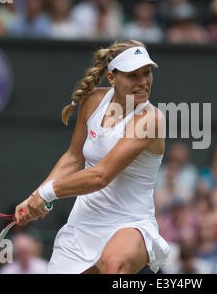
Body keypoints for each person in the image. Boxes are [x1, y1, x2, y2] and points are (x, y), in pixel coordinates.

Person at [14, 40, 170, 274]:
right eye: (133, 75)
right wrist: (35, 195)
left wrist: (46, 194)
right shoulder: (93, 101)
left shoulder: (151, 119)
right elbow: (74, 157)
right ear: (112, 78)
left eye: (147, 73)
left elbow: (101, 176)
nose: (143, 82)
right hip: (83, 224)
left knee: (114, 263)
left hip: (130, 223)